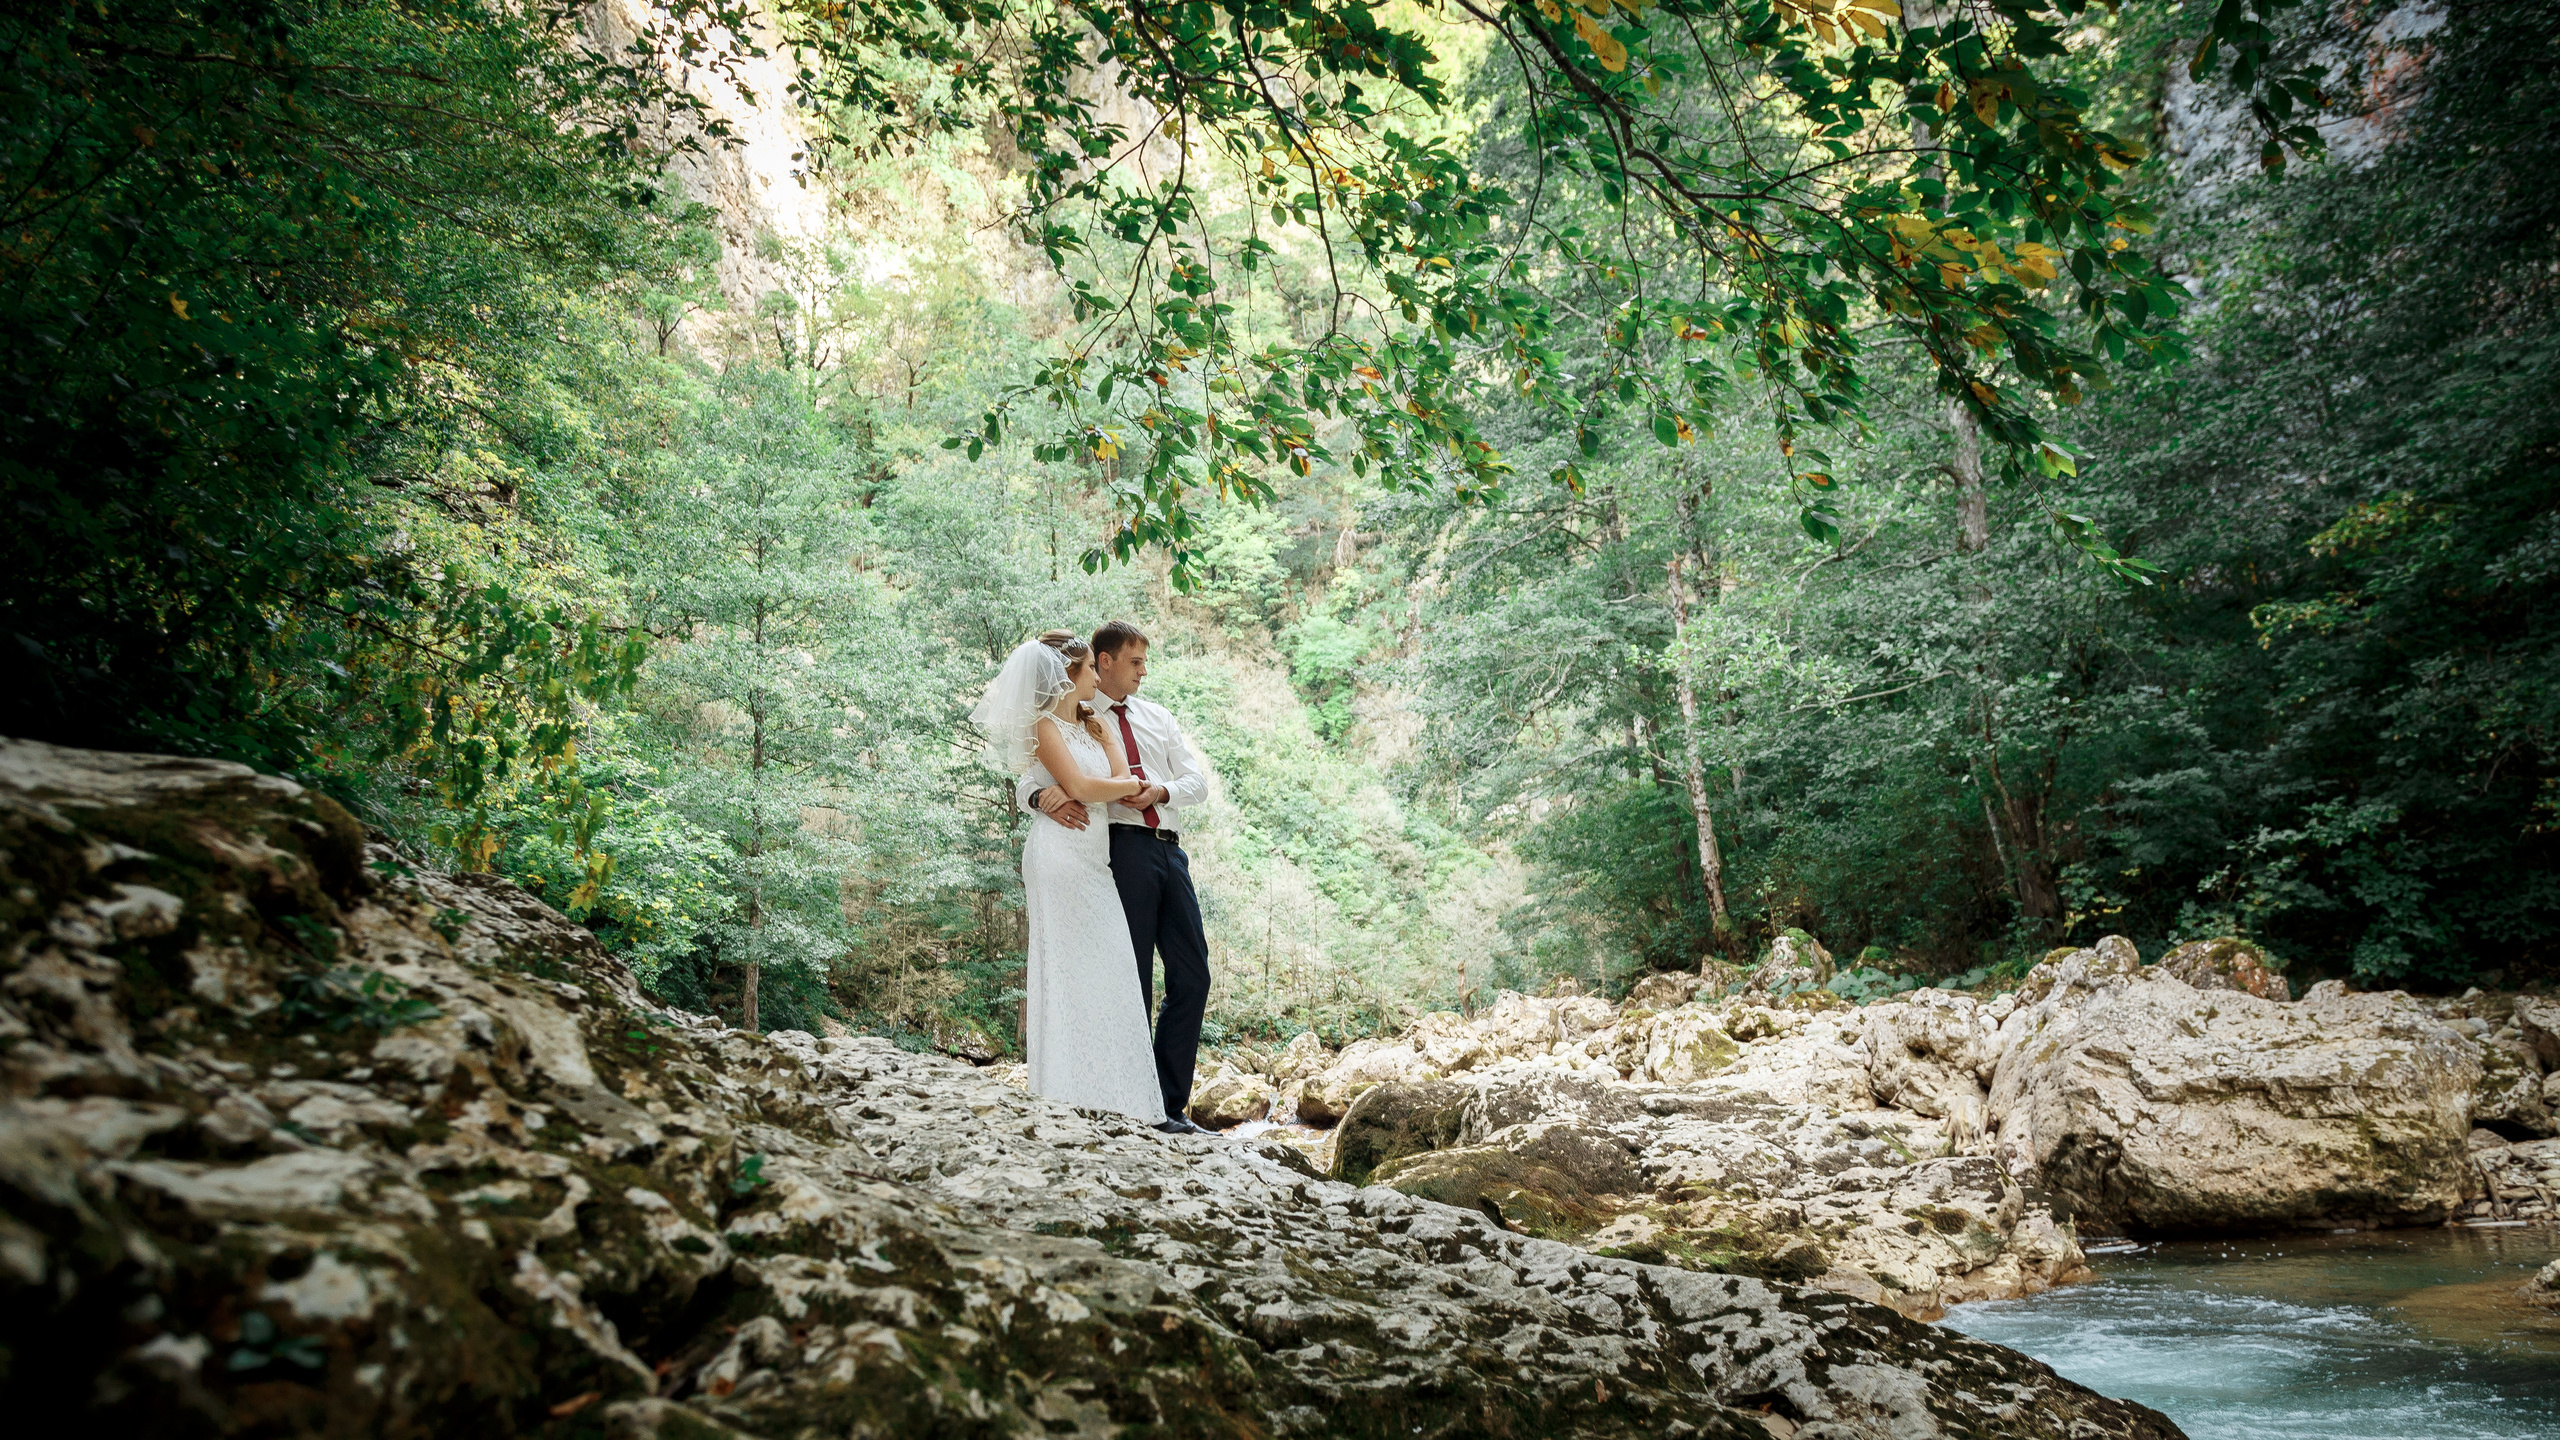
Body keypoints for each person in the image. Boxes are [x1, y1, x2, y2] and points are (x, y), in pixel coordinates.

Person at [967, 633, 1167, 1127]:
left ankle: (1122, 1102)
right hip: (1058, 858)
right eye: (1090, 670)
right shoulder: (1044, 724)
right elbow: (1081, 787)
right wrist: (1046, 793)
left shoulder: (1091, 724)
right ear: (1068, 674)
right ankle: (1065, 1099)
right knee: (1067, 972)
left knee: (1114, 970)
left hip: (1094, 861)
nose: (1098, 679)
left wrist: (1108, 749)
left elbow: (1122, 786)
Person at [1020, 621, 1213, 1133]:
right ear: (1100, 664)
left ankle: (1167, 1101)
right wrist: (1040, 797)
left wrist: (1160, 791)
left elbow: (1196, 782)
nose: (1143, 671)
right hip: (1117, 850)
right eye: (1134, 662)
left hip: (1170, 849)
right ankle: (1144, 1108)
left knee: (1193, 976)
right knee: (1128, 977)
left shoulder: (1158, 717)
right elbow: (1033, 777)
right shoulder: (1074, 713)